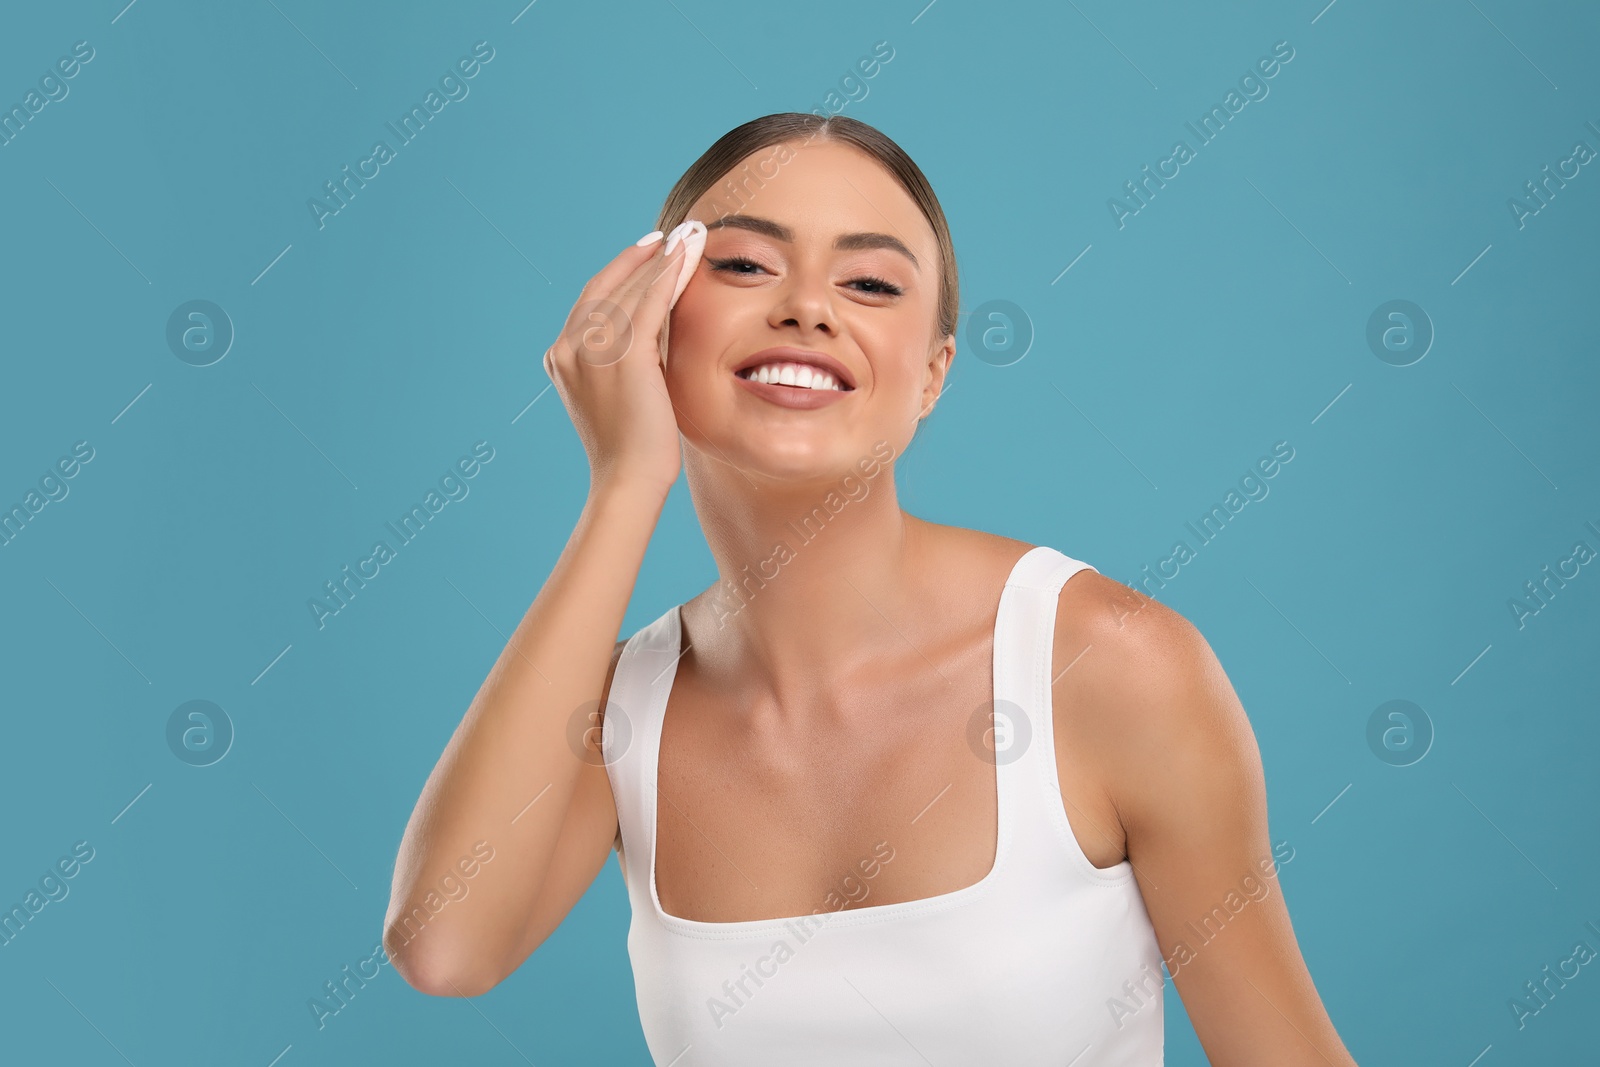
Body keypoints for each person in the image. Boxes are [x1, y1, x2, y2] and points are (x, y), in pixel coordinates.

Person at [383, 112, 1360, 1066]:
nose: (808, 306)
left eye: (868, 281)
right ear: (651, 324)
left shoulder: (1107, 663)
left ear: (932, 374)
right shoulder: (616, 716)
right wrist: (623, 485)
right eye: (744, 264)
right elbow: (444, 947)